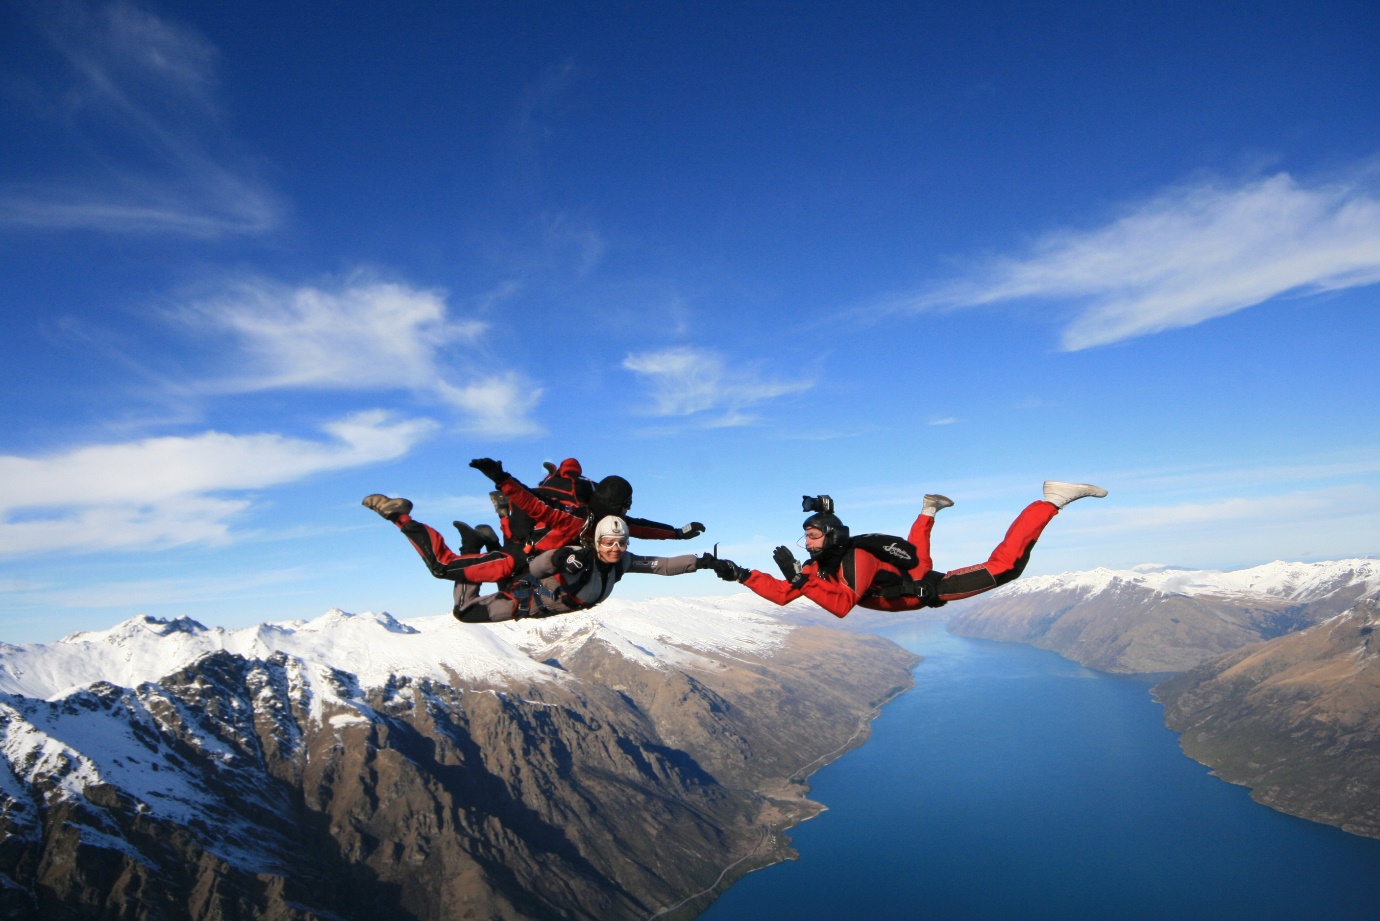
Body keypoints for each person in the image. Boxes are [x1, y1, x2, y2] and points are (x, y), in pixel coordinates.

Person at [708, 482, 1107, 618]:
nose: (807, 544)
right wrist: (740, 574)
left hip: (923, 592)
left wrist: (800, 579)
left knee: (1005, 567)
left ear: (831, 537)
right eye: (806, 538)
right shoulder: (819, 567)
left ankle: (1050, 501)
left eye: (812, 537)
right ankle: (928, 509)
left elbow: (843, 605)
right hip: (909, 580)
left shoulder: (855, 557)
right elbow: (783, 595)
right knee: (918, 558)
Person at [362, 495, 713, 623]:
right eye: (609, 543)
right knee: (462, 608)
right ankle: (403, 518)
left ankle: (479, 541)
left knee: (486, 576)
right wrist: (561, 560)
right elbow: (538, 566)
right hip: (523, 597)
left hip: (531, 596)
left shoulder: (622, 561)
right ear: (596, 541)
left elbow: (661, 566)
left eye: (621, 543)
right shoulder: (577, 555)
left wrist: (703, 562)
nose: (616, 549)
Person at [470, 457, 705, 555]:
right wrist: (502, 479)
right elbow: (534, 505)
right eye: (626, 506)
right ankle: (502, 515)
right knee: (513, 554)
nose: (627, 512)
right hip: (534, 536)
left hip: (537, 500)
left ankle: (504, 512)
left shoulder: (600, 511)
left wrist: (678, 533)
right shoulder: (580, 518)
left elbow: (640, 526)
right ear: (617, 505)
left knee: (524, 519)